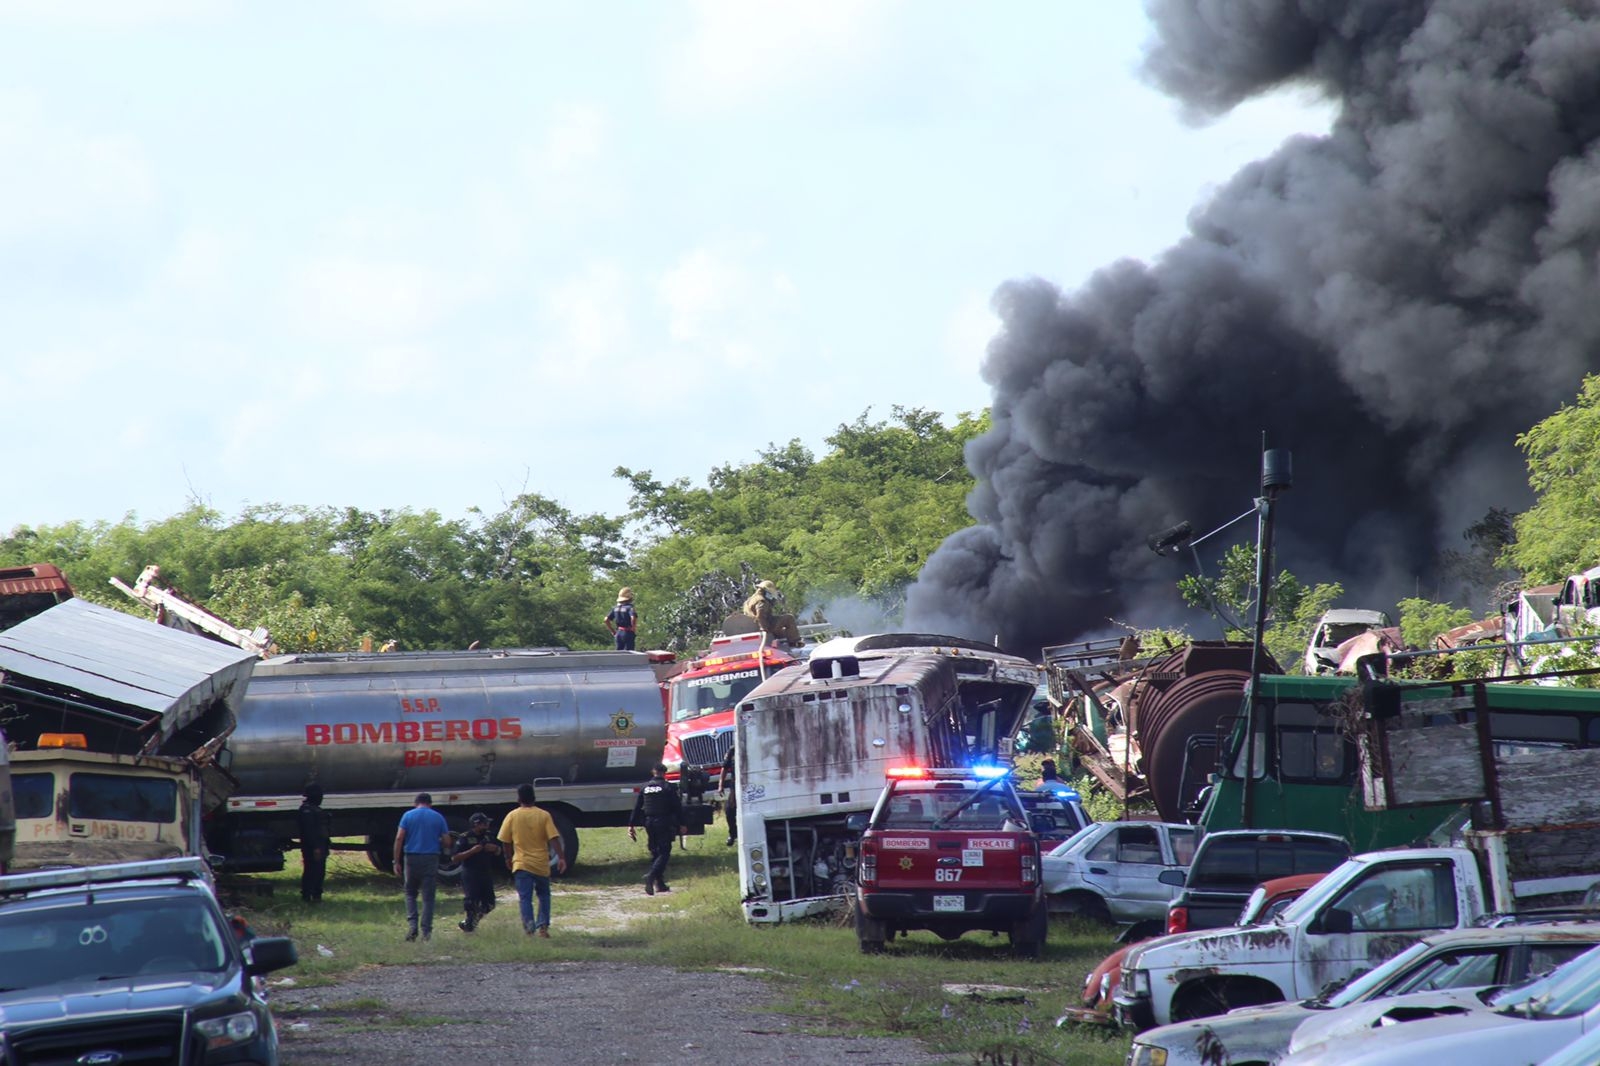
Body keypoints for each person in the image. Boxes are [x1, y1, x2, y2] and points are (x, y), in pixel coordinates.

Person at [498, 783, 568, 937]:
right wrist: (561, 857)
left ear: (518, 798)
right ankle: (543, 927)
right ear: (534, 797)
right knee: (544, 896)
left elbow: (505, 841)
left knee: (525, 898)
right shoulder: (544, 815)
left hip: (521, 864)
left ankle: (529, 929)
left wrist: (508, 858)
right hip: (541, 864)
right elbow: (554, 838)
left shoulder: (512, 816)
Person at [393, 792, 452, 942]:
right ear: (430, 804)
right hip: (430, 858)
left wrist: (396, 861)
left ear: (416, 803)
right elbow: (447, 841)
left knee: (410, 893)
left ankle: (413, 927)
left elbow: (399, 838)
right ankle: (426, 932)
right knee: (428, 897)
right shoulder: (438, 817)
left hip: (411, 857)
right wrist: (438, 840)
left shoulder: (408, 815)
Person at [629, 762, 682, 895]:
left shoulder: (645, 787)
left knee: (655, 852)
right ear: (664, 773)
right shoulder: (668, 787)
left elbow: (637, 807)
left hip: (649, 823)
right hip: (663, 822)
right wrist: (682, 823)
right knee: (664, 852)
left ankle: (660, 884)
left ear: (653, 772)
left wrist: (631, 825)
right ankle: (651, 876)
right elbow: (677, 807)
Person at [452, 812, 502, 932]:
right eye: (484, 824)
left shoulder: (489, 836)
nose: (487, 826)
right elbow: (454, 858)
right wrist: (472, 851)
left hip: (485, 872)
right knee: (471, 901)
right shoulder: (465, 837)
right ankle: (469, 924)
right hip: (470, 873)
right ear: (476, 824)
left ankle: (473, 921)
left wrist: (495, 849)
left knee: (490, 903)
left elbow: (499, 851)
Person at [297, 783, 332, 904]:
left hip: (320, 845)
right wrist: (316, 847)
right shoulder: (307, 811)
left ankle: (316, 894)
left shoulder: (314, 809)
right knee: (312, 871)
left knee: (319, 871)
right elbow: (309, 831)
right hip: (312, 847)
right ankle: (307, 895)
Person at [742, 579, 802, 644]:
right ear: (766, 591)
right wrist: (765, 630)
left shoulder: (750, 600)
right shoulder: (762, 601)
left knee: (783, 633)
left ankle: (783, 640)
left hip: (755, 626)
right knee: (789, 618)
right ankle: (795, 642)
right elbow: (760, 616)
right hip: (765, 626)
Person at [721, 744, 738, 847]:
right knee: (729, 810)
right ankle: (733, 834)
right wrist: (720, 785)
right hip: (735, 785)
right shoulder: (732, 749)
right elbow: (725, 768)